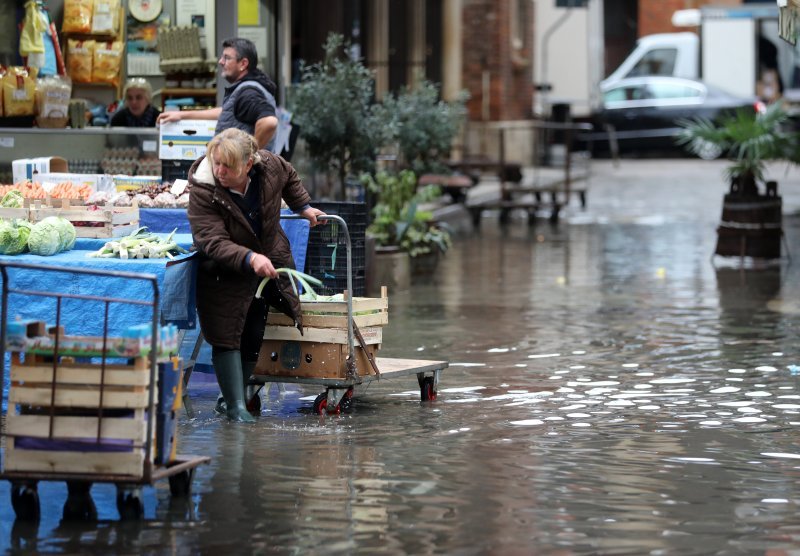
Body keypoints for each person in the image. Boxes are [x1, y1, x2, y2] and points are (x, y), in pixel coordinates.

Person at [187, 127, 326, 422]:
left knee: (253, 327)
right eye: (216, 163)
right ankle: (236, 407)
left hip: (267, 261)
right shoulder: (204, 189)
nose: (220, 171)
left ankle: (234, 397)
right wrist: (249, 257)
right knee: (226, 335)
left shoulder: (270, 166)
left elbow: (289, 175)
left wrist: (303, 206)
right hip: (223, 270)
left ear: (249, 164)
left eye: (228, 166)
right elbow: (210, 241)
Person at [156, 37, 279, 151]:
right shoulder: (248, 89)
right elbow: (227, 111)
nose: (221, 61)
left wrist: (251, 157)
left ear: (243, 64)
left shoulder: (248, 93)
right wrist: (182, 115)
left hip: (242, 173)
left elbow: (269, 122)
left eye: (227, 58)